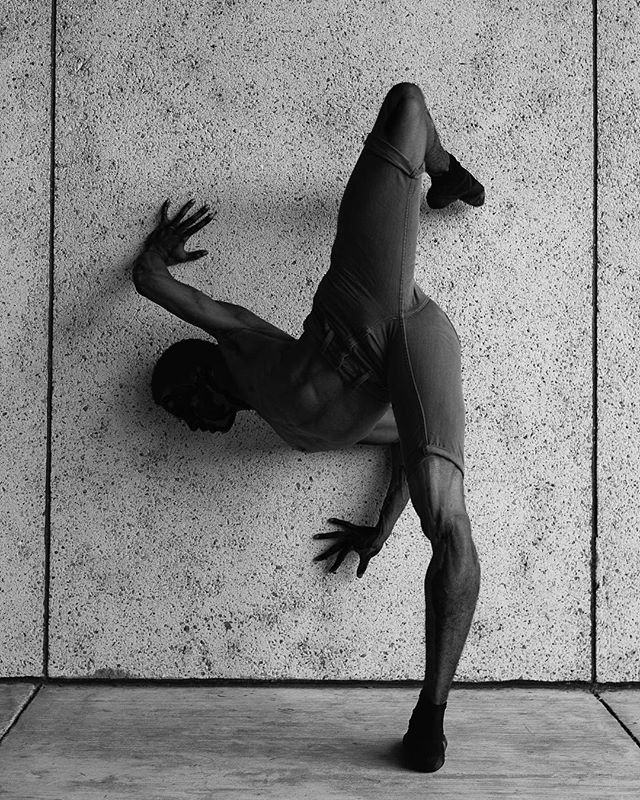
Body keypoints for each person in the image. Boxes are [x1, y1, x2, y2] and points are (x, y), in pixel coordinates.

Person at [133, 82, 482, 773]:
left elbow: (397, 448)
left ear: (207, 389)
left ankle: (432, 722)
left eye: (178, 403)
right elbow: (150, 282)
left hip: (408, 337)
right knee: (407, 103)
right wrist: (158, 255)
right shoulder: (246, 348)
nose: (186, 416)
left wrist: (381, 532)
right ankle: (444, 171)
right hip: (386, 313)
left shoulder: (297, 428)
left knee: (449, 523)